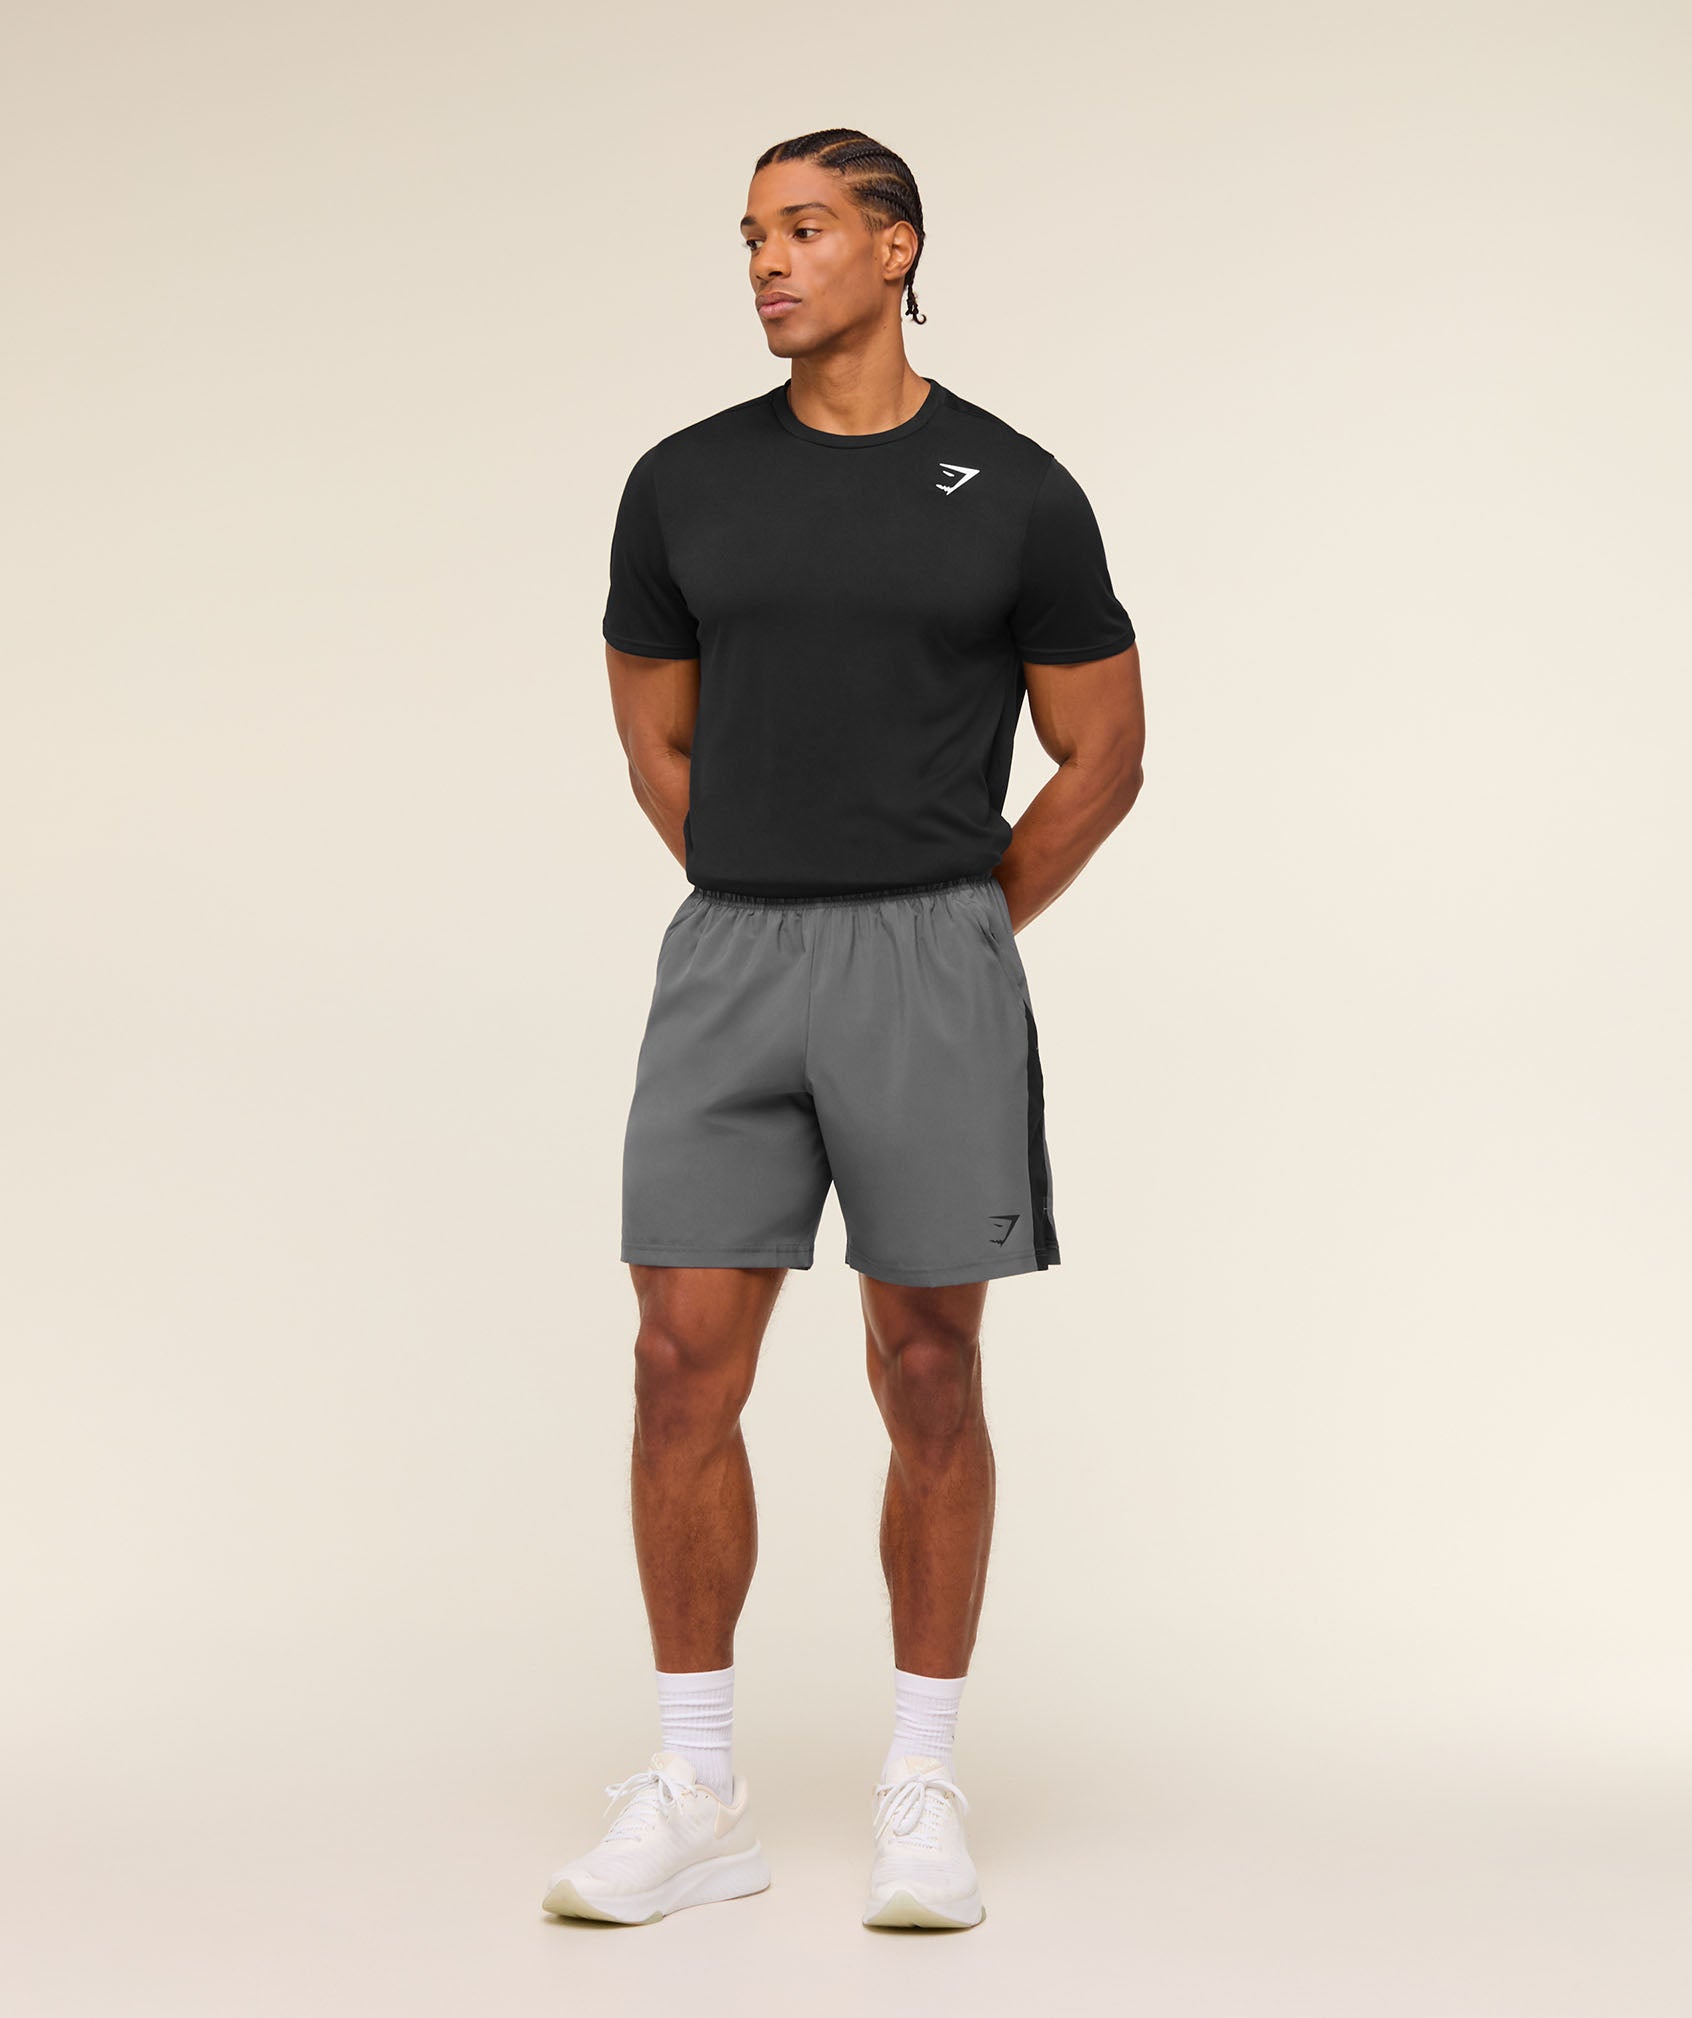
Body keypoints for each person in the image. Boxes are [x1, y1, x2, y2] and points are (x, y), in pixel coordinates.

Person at [542, 127, 1144, 1932]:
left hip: (932, 961)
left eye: (803, 229)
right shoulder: (682, 483)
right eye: (750, 236)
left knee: (929, 1368)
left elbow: (1102, 754)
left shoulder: (1017, 490)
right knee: (677, 1360)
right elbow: (656, 741)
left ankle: (921, 1782)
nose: (766, 263)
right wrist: (766, 883)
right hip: (731, 956)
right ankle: (696, 1788)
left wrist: (955, 922)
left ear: (897, 248)